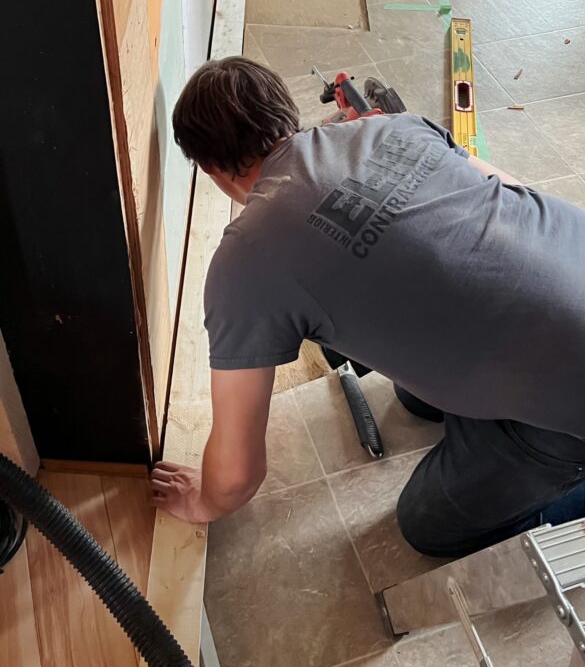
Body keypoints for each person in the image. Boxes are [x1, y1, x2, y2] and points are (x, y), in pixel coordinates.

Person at [151, 57, 585, 559]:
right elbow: (508, 192)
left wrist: (203, 499)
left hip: (569, 405)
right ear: (285, 111)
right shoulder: (393, 126)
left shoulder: (247, 260)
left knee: (429, 526)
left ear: (210, 169)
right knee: (416, 395)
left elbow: (236, 479)